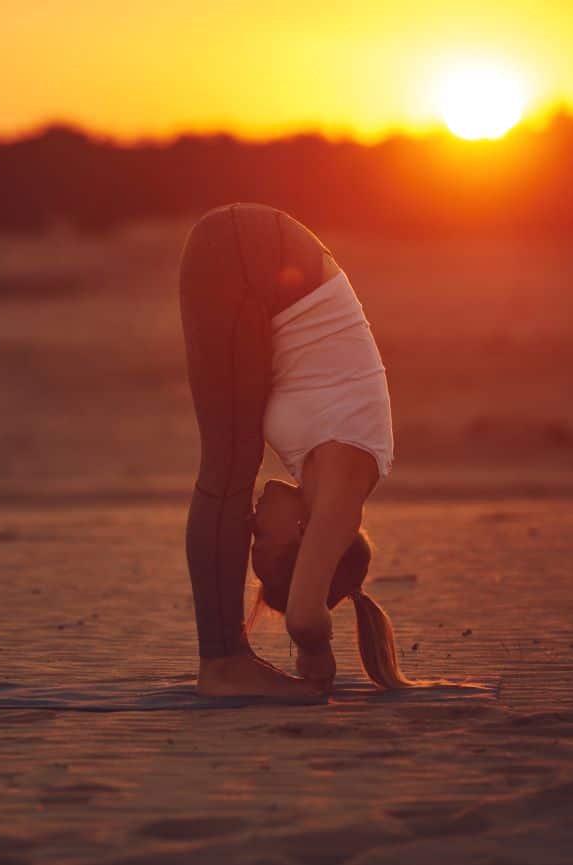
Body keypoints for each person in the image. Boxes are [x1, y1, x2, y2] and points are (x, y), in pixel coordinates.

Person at [179, 202, 410, 697]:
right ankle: (222, 665)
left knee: (231, 462)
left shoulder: (324, 468)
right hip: (256, 254)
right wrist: (315, 662)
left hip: (249, 253)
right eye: (263, 541)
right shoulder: (345, 490)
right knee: (228, 467)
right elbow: (305, 617)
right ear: (305, 536)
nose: (253, 525)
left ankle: (222, 662)